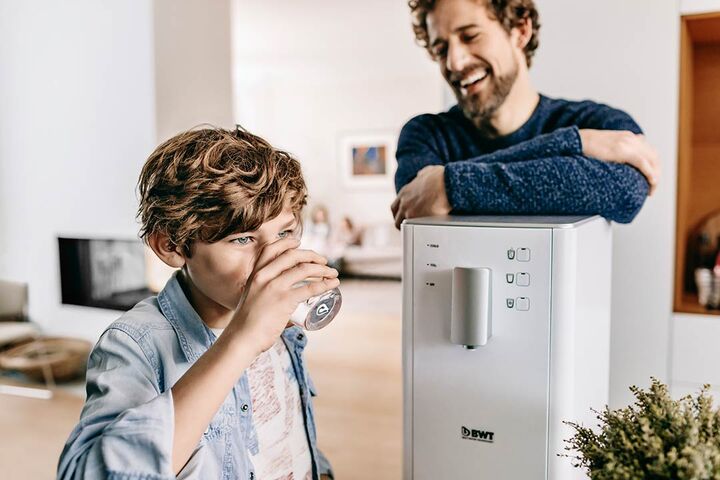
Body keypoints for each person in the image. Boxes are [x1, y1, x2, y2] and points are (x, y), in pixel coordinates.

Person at [57, 127, 338, 480]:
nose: (273, 259)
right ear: (171, 247)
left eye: (284, 233)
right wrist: (242, 339)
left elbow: (281, 430)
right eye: (242, 239)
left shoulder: (283, 324)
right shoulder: (135, 345)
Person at [391, 0, 661, 229]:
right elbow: (416, 204)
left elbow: (626, 191)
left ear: (520, 30)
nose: (455, 62)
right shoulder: (426, 134)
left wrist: (449, 185)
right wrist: (576, 144)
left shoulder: (599, 123)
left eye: (470, 36)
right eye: (441, 49)